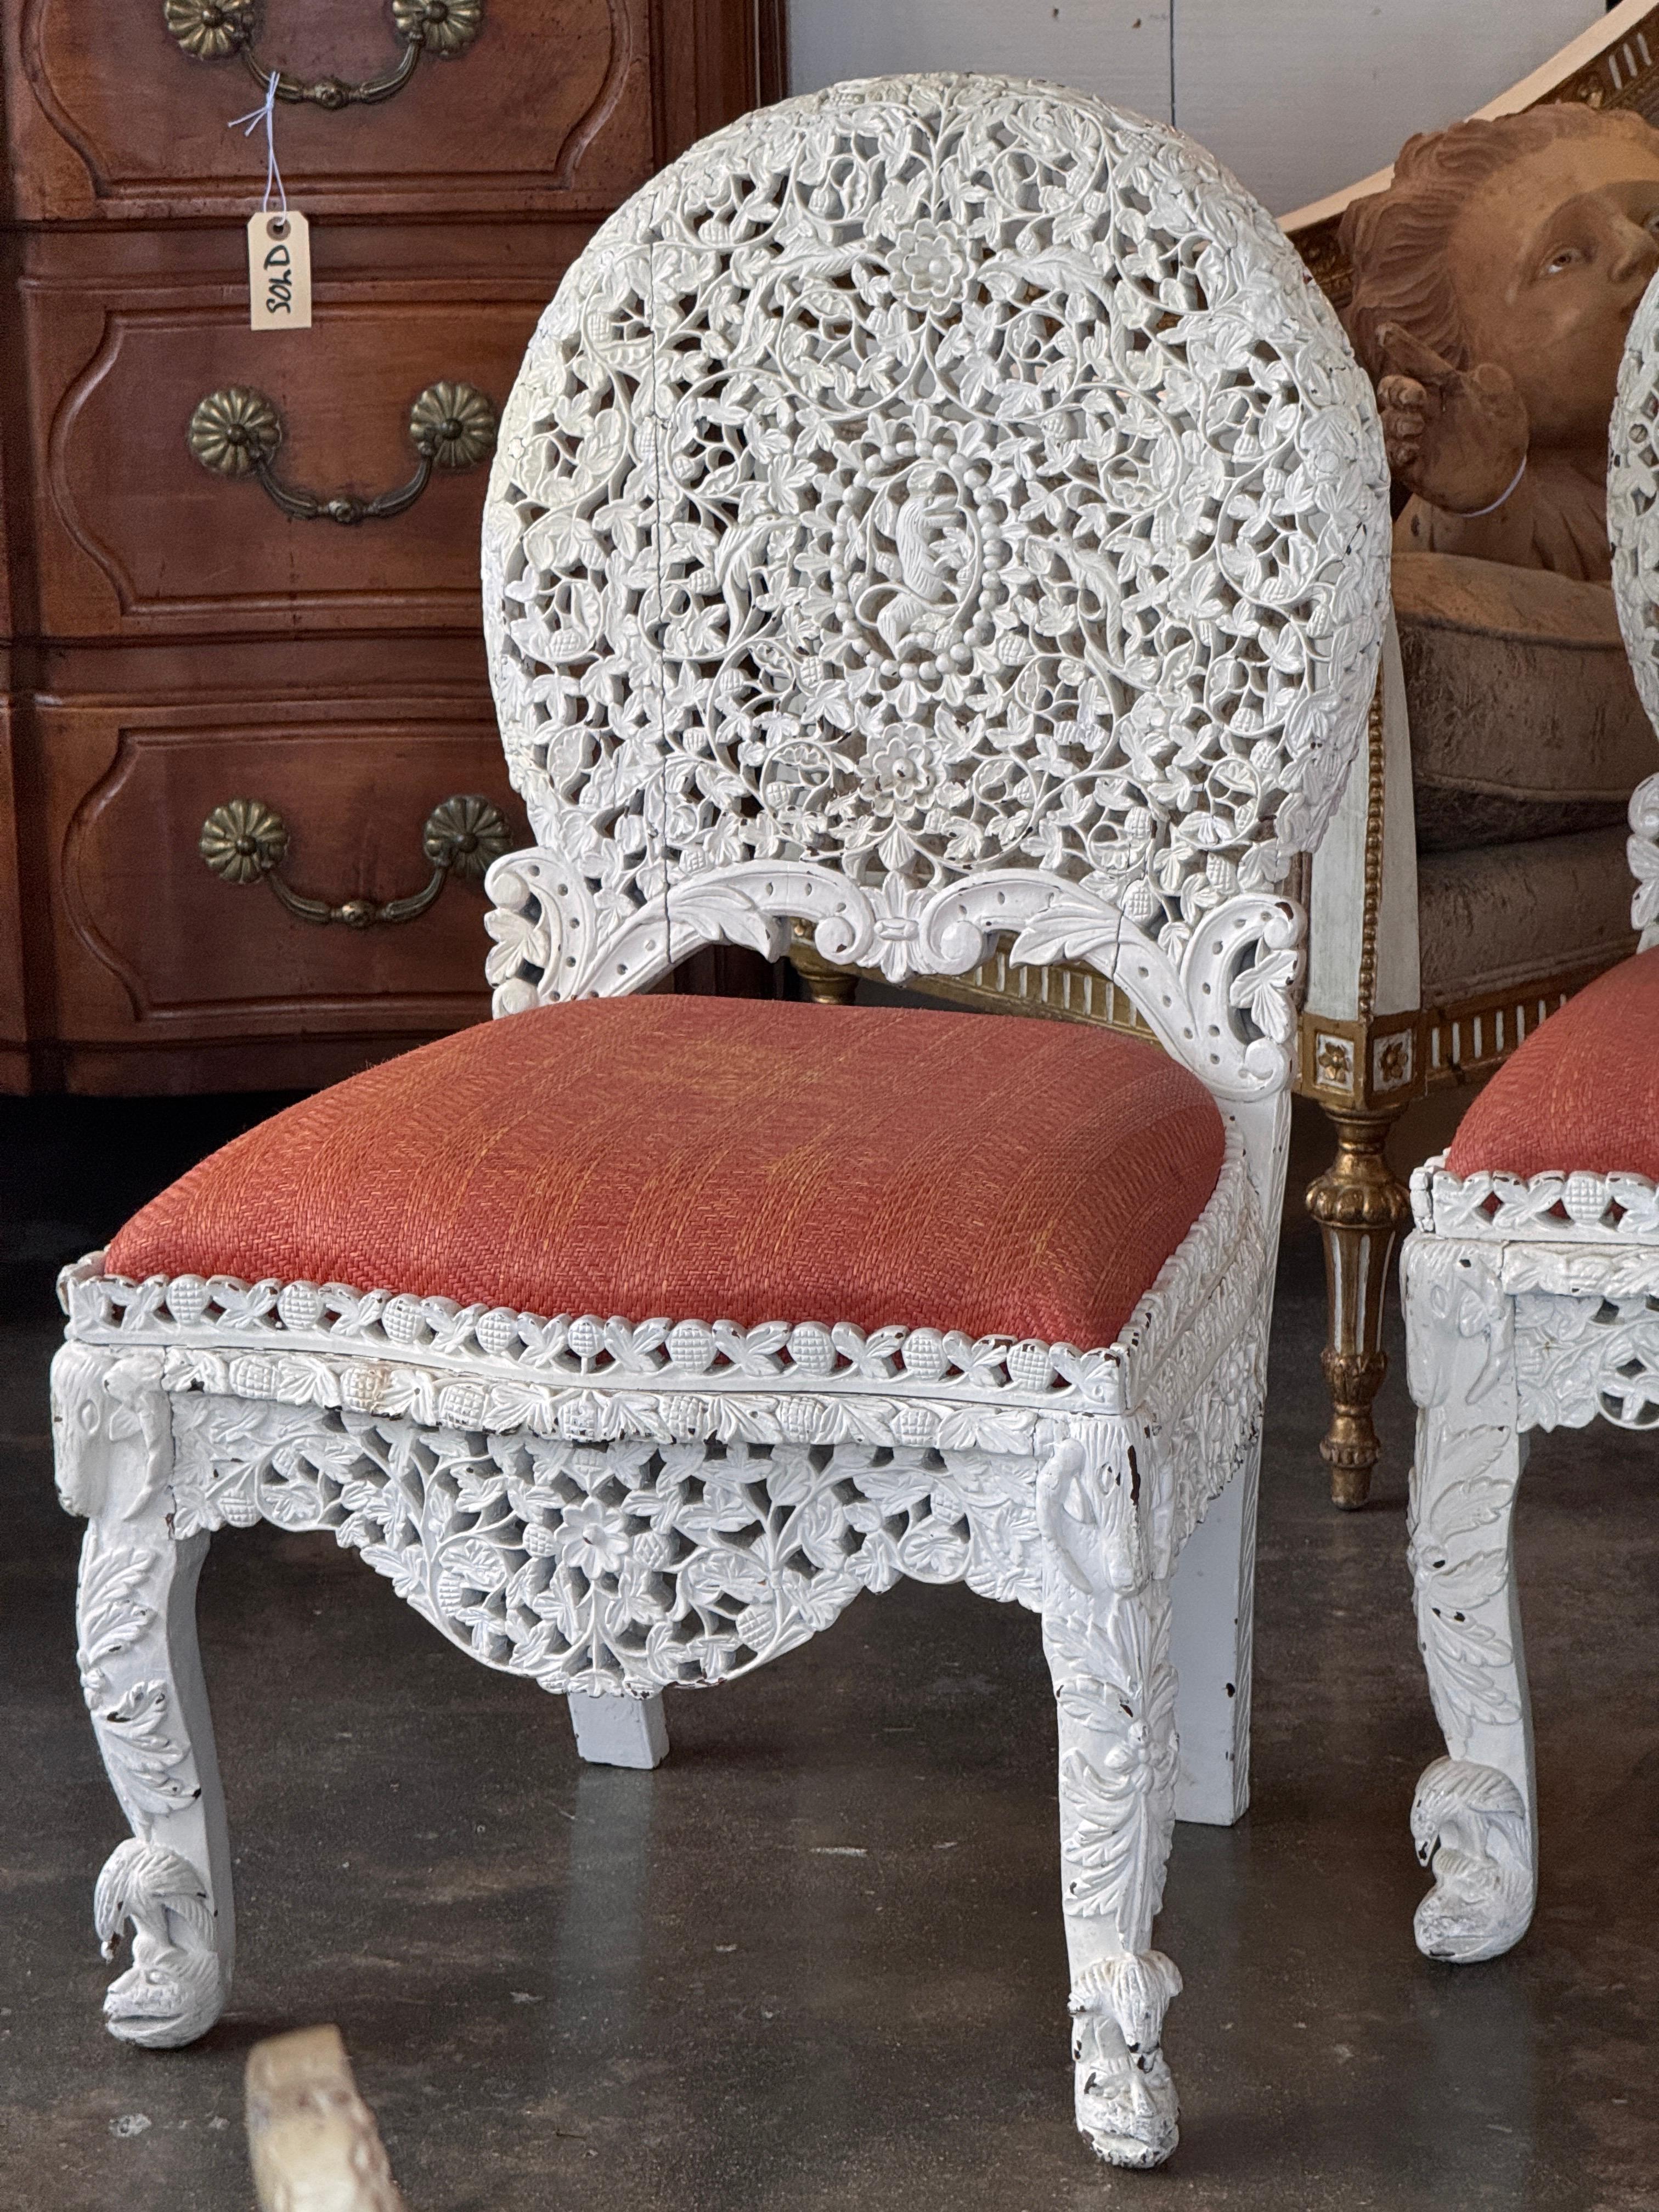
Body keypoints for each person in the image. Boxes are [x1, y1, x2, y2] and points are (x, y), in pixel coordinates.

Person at [1341, 105, 1659, 580]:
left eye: (1656, 223)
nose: (1638, 248)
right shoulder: (1540, 519)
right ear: (1459, 361)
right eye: (1564, 258)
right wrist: (1478, 505)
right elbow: (1425, 597)